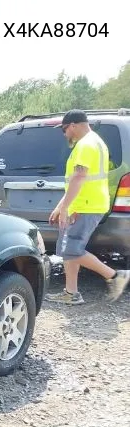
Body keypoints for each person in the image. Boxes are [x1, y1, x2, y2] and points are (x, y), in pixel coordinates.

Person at [46, 109, 130, 305]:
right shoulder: (96, 142)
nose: (65, 134)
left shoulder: (86, 145)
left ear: (73, 125)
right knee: (68, 250)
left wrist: (65, 208)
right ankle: (71, 292)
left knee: (72, 250)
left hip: (86, 205)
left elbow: (78, 177)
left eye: (64, 130)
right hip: (84, 204)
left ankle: (116, 275)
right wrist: (61, 207)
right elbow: (75, 182)